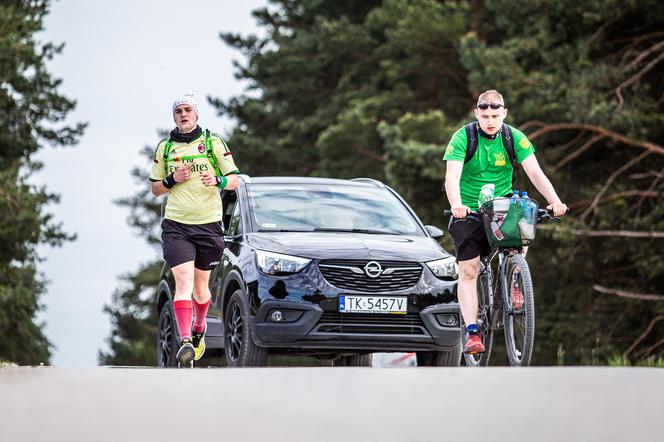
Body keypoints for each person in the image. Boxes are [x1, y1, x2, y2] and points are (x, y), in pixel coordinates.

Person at [443, 90, 567, 354]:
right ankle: (472, 331)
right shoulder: (463, 137)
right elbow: (451, 176)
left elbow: (535, 172)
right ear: (477, 114)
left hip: (502, 206)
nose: (490, 120)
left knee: (524, 219)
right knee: (468, 270)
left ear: (504, 114)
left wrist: (555, 201)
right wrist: (457, 205)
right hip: (469, 209)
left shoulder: (514, 137)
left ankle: (515, 278)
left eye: (495, 115)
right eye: (485, 115)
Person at [149, 92, 240, 367]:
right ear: (174, 116)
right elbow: (155, 189)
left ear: (196, 114)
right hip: (177, 225)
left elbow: (236, 181)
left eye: (188, 110)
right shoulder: (165, 148)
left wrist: (218, 180)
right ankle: (186, 340)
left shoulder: (213, 143)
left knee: (201, 290)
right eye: (179, 111)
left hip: (209, 224)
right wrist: (171, 179)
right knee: (183, 282)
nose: (184, 114)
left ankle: (199, 327)